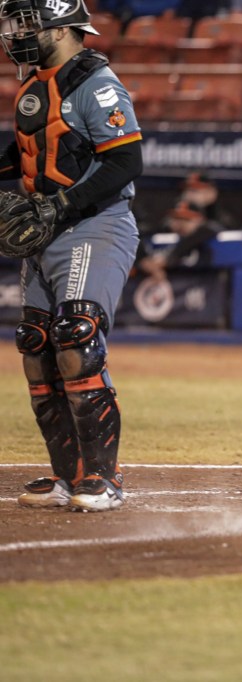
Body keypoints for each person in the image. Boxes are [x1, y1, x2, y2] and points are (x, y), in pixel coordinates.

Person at [0, 0, 143, 511]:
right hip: (46, 229)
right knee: (37, 346)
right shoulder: (36, 83)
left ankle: (105, 478)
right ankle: (68, 476)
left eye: (27, 25)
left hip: (93, 225)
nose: (16, 35)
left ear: (62, 29)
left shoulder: (97, 84)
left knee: (76, 337)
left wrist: (61, 204)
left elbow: (125, 160)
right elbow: (32, 151)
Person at [137, 201, 222, 279]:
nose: (181, 224)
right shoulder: (160, 232)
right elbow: (136, 235)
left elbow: (211, 229)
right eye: (176, 218)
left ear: (200, 221)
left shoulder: (205, 233)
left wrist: (169, 258)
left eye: (187, 219)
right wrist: (143, 260)